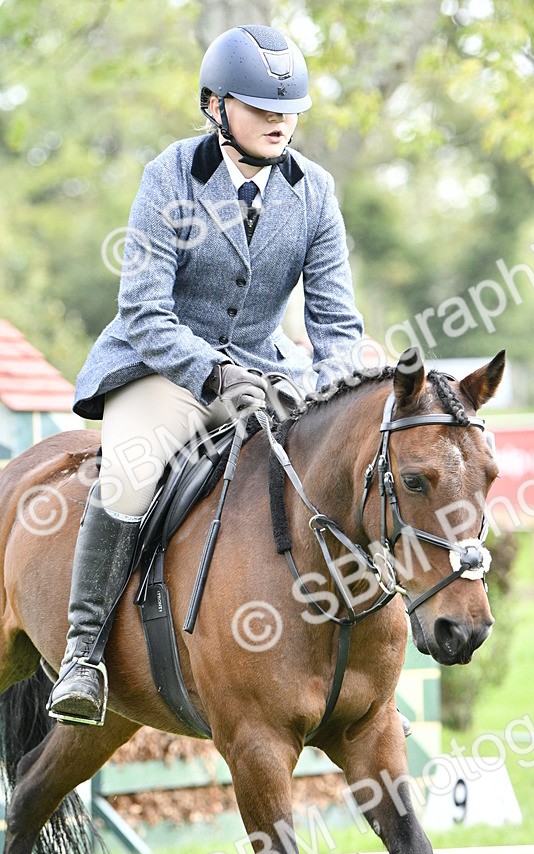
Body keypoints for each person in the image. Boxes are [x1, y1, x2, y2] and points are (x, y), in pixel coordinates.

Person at [48, 24, 365, 726]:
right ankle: (83, 654)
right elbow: (142, 310)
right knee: (129, 474)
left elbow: (338, 328)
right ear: (215, 106)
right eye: (260, 106)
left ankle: (362, 667)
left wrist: (323, 391)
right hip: (163, 366)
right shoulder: (170, 175)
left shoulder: (314, 193)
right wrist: (213, 375)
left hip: (267, 370)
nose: (280, 119)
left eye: (289, 109)